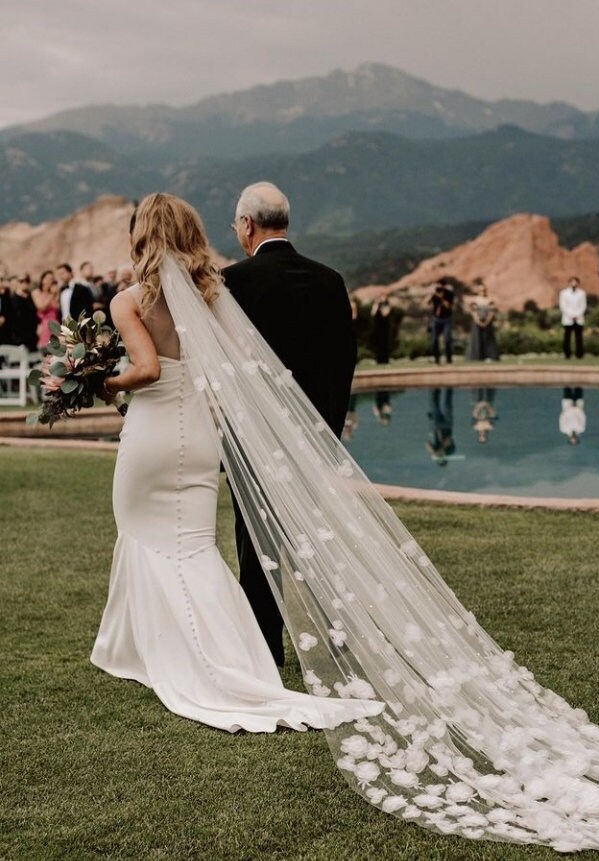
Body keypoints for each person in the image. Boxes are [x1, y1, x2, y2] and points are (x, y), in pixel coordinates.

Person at [91, 192, 599, 853]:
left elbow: (201, 368)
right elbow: (336, 358)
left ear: (246, 225)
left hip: (216, 436)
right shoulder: (289, 283)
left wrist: (96, 380)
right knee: (257, 551)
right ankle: (251, 654)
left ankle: (251, 658)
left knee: (245, 554)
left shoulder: (214, 287)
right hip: (291, 433)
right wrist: (323, 431)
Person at [92, 192, 380, 736]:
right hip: (200, 436)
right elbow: (245, 363)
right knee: (197, 546)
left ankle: (143, 649)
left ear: (141, 235)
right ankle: (237, 655)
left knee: (139, 531)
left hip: (154, 433)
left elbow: (148, 369)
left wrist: (101, 381)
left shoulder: (128, 301)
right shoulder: (212, 293)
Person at [222, 182, 356, 667]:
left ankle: (265, 645)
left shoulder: (234, 280)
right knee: (319, 537)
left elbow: (225, 369)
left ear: (247, 225)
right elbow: (345, 363)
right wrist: (328, 432)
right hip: (316, 435)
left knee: (257, 541)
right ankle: (338, 638)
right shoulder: (330, 279)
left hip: (254, 436)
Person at [467, 280, 499, 361]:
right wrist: (477, 321)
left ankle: (490, 356)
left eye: (484, 290)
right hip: (477, 322)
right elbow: (473, 311)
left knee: (488, 339)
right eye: (481, 290)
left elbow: (492, 312)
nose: (483, 292)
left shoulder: (489, 300)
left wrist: (487, 321)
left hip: (488, 322)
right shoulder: (474, 300)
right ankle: (477, 357)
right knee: (477, 340)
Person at [558, 276, 586, 359]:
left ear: (578, 283)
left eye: (575, 282)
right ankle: (567, 354)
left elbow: (583, 306)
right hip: (568, 319)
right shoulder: (563, 293)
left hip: (578, 318)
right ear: (569, 283)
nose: (574, 283)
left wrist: (577, 315)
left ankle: (579, 354)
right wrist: (570, 315)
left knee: (579, 337)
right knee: (567, 337)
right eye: (572, 282)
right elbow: (562, 306)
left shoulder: (582, 293)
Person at [428, 278, 454, 364]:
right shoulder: (434, 294)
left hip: (446, 319)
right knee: (434, 340)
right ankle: (436, 359)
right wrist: (432, 294)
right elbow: (426, 302)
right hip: (436, 319)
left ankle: (449, 359)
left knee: (447, 339)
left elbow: (449, 306)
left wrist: (441, 298)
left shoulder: (449, 294)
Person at [33, 270, 61, 350]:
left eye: (51, 279)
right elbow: (42, 307)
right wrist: (52, 295)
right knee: (47, 349)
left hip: (56, 323)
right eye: (48, 278)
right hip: (45, 325)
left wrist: (56, 294)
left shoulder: (53, 293)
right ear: (42, 280)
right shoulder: (37, 292)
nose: (50, 281)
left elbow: (57, 308)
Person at [370, 291, 392, 364]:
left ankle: (385, 360)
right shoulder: (377, 304)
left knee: (385, 343)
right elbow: (372, 313)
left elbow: (385, 313)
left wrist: (380, 306)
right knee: (379, 343)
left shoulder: (387, 304)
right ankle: (379, 359)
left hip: (385, 327)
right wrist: (376, 304)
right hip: (378, 327)